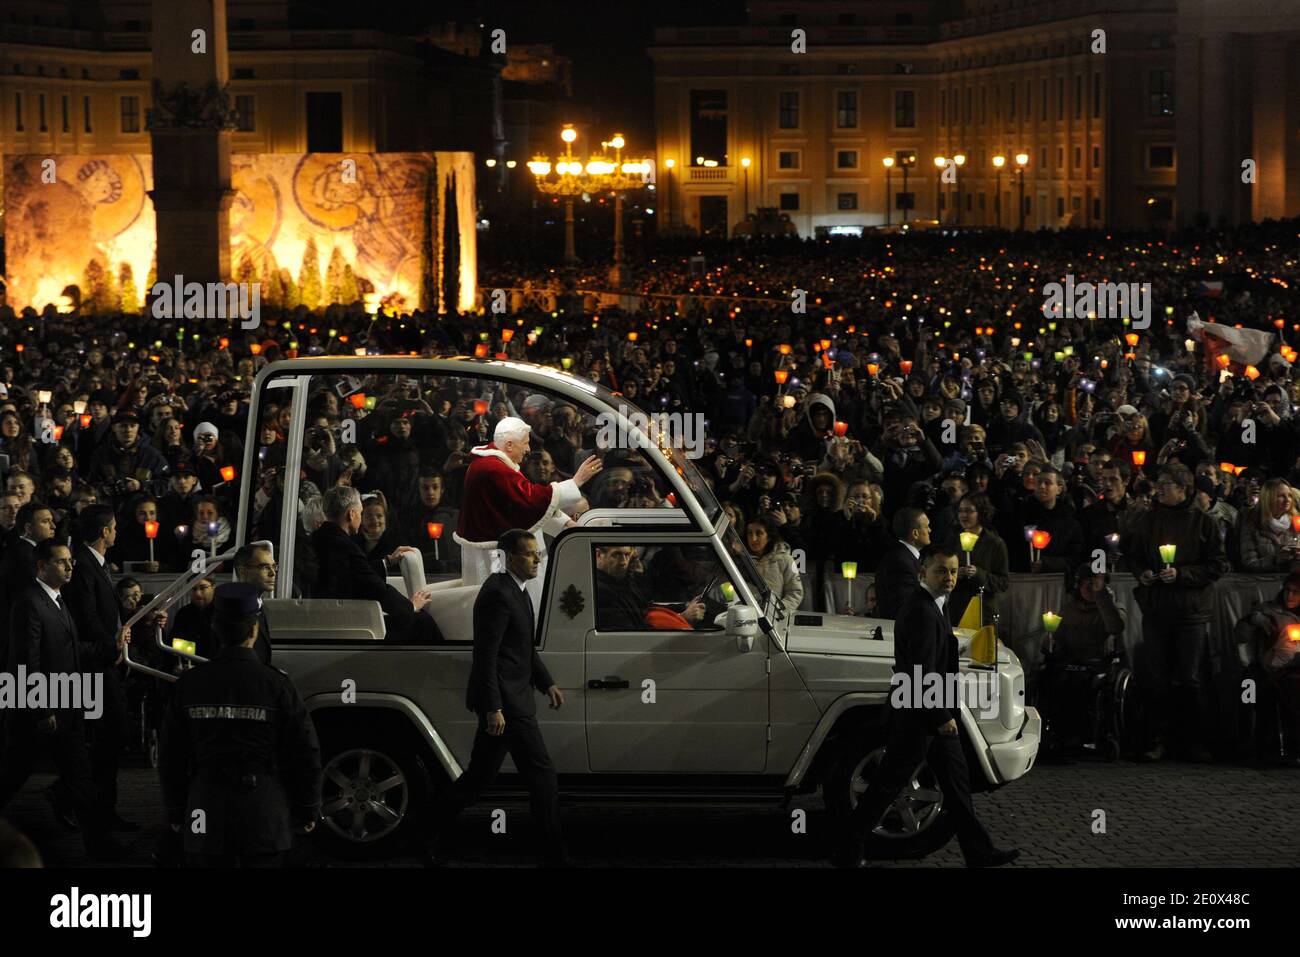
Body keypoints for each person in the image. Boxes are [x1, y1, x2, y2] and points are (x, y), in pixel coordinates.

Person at [833, 546, 1018, 868]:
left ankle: (979, 852)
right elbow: (920, 670)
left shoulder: (932, 605)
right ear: (923, 573)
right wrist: (940, 717)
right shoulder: (921, 609)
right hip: (920, 716)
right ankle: (848, 849)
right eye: (942, 571)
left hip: (927, 711)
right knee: (887, 786)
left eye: (954, 571)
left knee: (957, 787)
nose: (949, 578)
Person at [157, 582, 322, 867]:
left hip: (205, 806)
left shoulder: (191, 684)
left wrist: (175, 811)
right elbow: (305, 751)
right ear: (254, 630)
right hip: (263, 810)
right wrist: (307, 809)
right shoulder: (277, 685)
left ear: (215, 629)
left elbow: (171, 754)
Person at [427, 530, 565, 866]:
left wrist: (546, 682)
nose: (537, 560)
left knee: (479, 777)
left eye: (537, 554)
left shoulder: (517, 590)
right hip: (507, 703)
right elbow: (486, 655)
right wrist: (493, 707)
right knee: (541, 774)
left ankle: (427, 832)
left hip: (512, 698)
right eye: (530, 554)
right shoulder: (497, 594)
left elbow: (521, 648)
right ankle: (552, 855)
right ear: (510, 558)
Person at [0, 539, 127, 860]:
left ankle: (100, 845)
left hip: (64, 706)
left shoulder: (56, 600)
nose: (71, 566)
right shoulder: (30, 602)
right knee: (14, 773)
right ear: (41, 566)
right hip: (43, 709)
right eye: (61, 562)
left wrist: (109, 648)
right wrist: (42, 708)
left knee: (78, 779)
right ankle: (101, 845)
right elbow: (25, 660)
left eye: (70, 560)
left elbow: (68, 650)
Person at [1124, 463, 1230, 762]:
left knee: (1189, 677)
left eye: (1167, 484)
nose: (1159, 488)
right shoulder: (1147, 520)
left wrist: (1182, 575)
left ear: (1183, 489)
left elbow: (1218, 564)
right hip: (1157, 609)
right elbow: (1132, 555)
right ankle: (1158, 738)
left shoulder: (1203, 523)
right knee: (1156, 677)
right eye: (1160, 482)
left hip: (1191, 612)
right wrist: (1142, 572)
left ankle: (1194, 740)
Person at [455, 416, 602, 610]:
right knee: (507, 609)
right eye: (525, 443)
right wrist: (575, 482)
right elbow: (531, 499)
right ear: (509, 445)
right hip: (497, 560)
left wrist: (566, 525)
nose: (528, 449)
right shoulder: (493, 469)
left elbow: (523, 507)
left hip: (499, 554)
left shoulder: (492, 463)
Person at [63, 504, 142, 831]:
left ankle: (101, 808)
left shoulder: (95, 564)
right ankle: (87, 806)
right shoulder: (83, 566)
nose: (116, 532)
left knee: (111, 738)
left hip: (106, 660)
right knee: (109, 736)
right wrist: (111, 645)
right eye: (112, 527)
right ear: (104, 532)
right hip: (96, 665)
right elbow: (88, 615)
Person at [310, 485, 443, 643]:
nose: (360, 518)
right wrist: (411, 606)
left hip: (323, 619)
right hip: (348, 626)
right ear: (351, 514)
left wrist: (386, 562)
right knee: (421, 621)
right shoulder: (346, 546)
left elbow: (351, 574)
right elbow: (375, 588)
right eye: (360, 513)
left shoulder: (318, 538)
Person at [1037, 563, 1127, 754]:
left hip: (1097, 665)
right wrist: (1050, 644)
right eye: (1084, 584)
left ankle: (1076, 736)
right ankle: (1050, 734)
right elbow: (1058, 639)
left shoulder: (1112, 608)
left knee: (1079, 685)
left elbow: (1115, 627)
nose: (1088, 589)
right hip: (1070, 662)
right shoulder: (1069, 609)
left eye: (1092, 584)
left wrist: (1101, 596)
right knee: (1046, 679)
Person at [1233, 572, 1300, 757]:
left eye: (1296, 592)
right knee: (1247, 691)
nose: (1290, 596)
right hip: (1260, 667)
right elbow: (1240, 636)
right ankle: (1246, 742)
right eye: (1287, 590)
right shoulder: (1268, 610)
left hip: (1291, 670)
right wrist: (1251, 620)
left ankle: (1289, 744)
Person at [594, 544, 706, 631]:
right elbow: (632, 635)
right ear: (598, 555)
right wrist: (682, 617)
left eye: (627, 555)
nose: (623, 562)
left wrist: (683, 606)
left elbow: (646, 607)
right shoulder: (600, 592)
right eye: (616, 555)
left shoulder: (622, 582)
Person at [944, 493, 1010, 627]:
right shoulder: (952, 539)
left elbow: (1003, 582)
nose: (963, 515)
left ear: (981, 512)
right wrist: (957, 573)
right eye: (961, 511)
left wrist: (978, 574)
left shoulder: (995, 543)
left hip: (983, 610)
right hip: (957, 608)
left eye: (968, 511)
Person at [871, 507, 930, 619]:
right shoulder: (901, 562)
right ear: (915, 533)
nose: (930, 530)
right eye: (927, 526)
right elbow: (903, 607)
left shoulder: (902, 557)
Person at [744, 514, 804, 609]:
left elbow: (795, 592)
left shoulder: (785, 560)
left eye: (759, 533)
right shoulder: (743, 559)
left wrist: (776, 611)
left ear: (769, 536)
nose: (753, 538)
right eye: (750, 533)